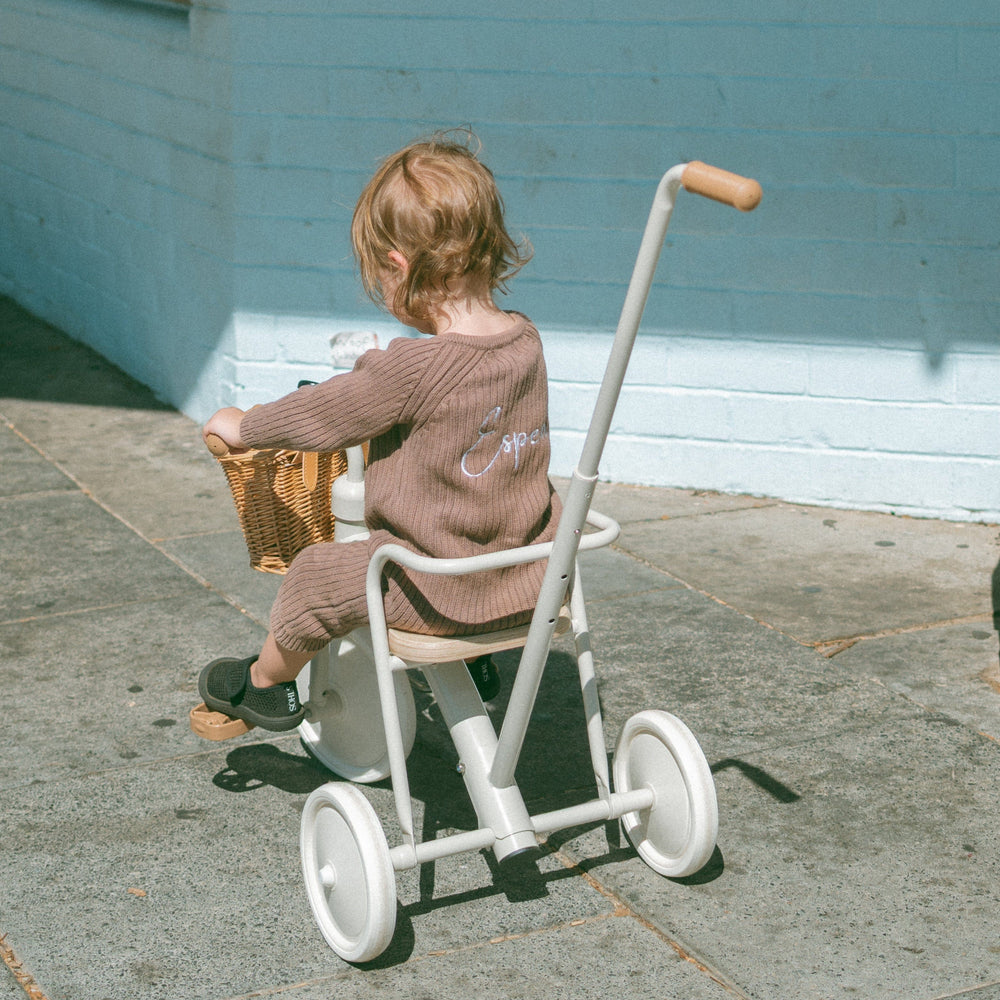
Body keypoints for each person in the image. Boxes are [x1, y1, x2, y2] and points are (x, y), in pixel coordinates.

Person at [198, 131, 561, 731]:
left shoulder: (412, 366)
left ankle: (265, 685)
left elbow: (329, 412)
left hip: (437, 588)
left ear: (399, 266)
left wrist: (248, 425)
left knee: (317, 575)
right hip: (527, 579)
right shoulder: (524, 339)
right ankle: (479, 666)